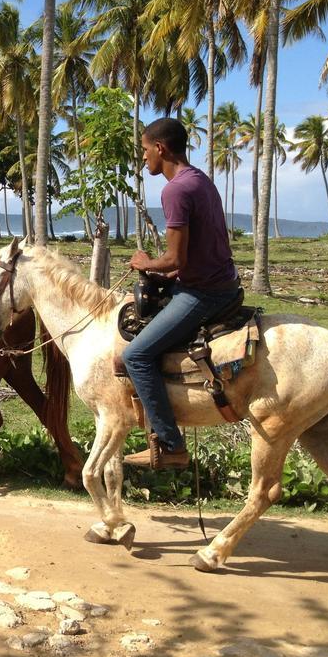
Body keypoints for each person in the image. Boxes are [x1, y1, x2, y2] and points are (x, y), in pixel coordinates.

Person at [122, 117, 240, 470]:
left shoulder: (174, 190)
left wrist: (145, 263)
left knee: (136, 356)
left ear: (160, 148)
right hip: (218, 281)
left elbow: (175, 258)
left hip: (203, 293)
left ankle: (171, 445)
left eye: (145, 151)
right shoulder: (199, 179)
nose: (143, 159)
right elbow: (188, 257)